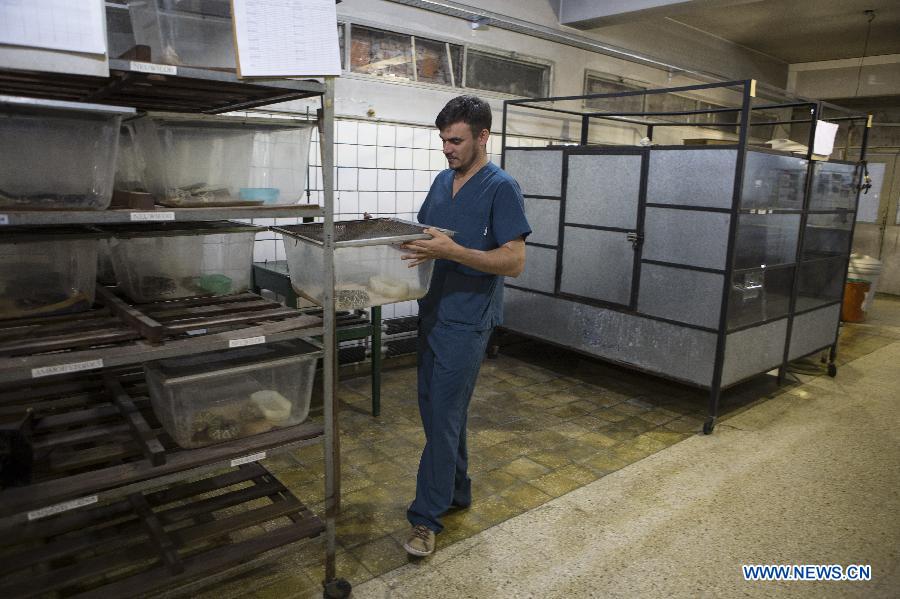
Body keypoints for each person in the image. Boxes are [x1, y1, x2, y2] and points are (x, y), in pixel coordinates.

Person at [399, 95, 531, 556]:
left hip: (468, 320)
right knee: (436, 411)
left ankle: (425, 518)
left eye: (455, 140)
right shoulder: (442, 181)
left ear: (482, 136)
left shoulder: (502, 188)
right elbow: (427, 237)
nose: (447, 149)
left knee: (444, 415)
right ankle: (457, 491)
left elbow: (514, 262)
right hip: (433, 311)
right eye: (443, 140)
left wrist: (454, 253)